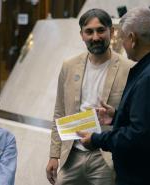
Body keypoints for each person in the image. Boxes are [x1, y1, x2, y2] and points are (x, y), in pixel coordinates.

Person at [78, 7, 150, 185]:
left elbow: (139, 138)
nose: (122, 45)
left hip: (148, 176)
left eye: (122, 39)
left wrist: (96, 139)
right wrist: (117, 116)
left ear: (132, 39)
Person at [46, 8, 134, 185]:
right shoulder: (69, 66)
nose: (95, 37)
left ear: (112, 31)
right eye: (89, 32)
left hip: (106, 157)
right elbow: (59, 112)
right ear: (81, 35)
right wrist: (54, 155)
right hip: (72, 154)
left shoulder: (129, 68)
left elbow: (132, 117)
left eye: (101, 30)